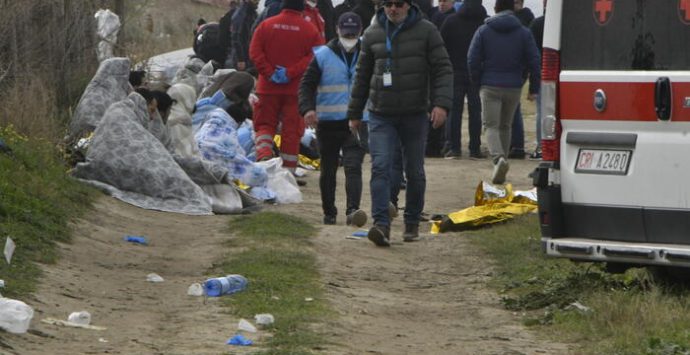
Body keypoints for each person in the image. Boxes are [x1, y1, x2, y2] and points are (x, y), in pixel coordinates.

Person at [347, 0, 453, 246]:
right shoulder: (372, 33)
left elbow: (443, 68)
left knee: (414, 170)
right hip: (381, 114)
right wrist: (354, 113)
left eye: (398, 4)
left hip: (415, 113)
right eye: (388, 5)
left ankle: (412, 221)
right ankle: (381, 224)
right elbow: (362, 76)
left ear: (409, 5)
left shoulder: (427, 31)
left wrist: (441, 104)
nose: (393, 9)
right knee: (380, 166)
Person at [299, 12, 368, 226]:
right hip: (328, 122)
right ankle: (329, 212)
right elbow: (306, 85)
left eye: (353, 33)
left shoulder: (368, 52)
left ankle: (352, 211)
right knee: (328, 169)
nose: (349, 36)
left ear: (360, 31)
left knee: (353, 166)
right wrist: (307, 109)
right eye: (346, 32)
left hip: (357, 121)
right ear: (337, 30)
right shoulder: (322, 55)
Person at [467, 0, 540, 184]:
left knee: (490, 125)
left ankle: (498, 159)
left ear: (495, 8)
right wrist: (532, 86)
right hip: (514, 85)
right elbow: (534, 60)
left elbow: (472, 59)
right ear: (513, 9)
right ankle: (503, 161)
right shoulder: (524, 32)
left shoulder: (483, 31)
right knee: (505, 126)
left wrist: (477, 81)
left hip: (489, 84)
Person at [249, 0, 324, 173]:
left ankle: (264, 156)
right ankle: (288, 172)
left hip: (267, 88)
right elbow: (316, 57)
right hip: (295, 90)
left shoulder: (265, 26)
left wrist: (269, 73)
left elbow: (255, 52)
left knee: (264, 125)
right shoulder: (310, 29)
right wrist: (290, 72)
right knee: (291, 131)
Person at [440, 0, 487, 159]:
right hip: (476, 73)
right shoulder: (484, 22)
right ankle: (475, 148)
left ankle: (454, 147)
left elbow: (442, 46)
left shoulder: (451, 21)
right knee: (475, 111)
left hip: (454, 70)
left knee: (454, 111)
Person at [424, 0, 455, 158]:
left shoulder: (453, 18)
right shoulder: (434, 16)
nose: (442, 3)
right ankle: (433, 145)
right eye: (440, 0)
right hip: (432, 68)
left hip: (445, 67)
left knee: (442, 108)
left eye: (445, 0)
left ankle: (439, 145)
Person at [507, 0, 536, 159]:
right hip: (520, 70)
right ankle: (515, 145)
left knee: (513, 109)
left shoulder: (525, 22)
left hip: (516, 70)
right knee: (514, 108)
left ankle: (515, 145)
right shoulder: (529, 20)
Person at [528, 0, 545, 160]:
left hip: (542, 71)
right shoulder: (570, 24)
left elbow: (532, 56)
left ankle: (542, 147)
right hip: (563, 70)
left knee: (543, 111)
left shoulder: (537, 24)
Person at [230, 0, 259, 71]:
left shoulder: (253, 13)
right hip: (242, 58)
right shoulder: (241, 14)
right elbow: (236, 36)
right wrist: (240, 59)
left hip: (248, 56)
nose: (258, 2)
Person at [219, 1, 239, 67]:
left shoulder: (224, 18)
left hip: (229, 51)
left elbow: (221, 38)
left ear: (230, 6)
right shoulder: (244, 17)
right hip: (242, 51)